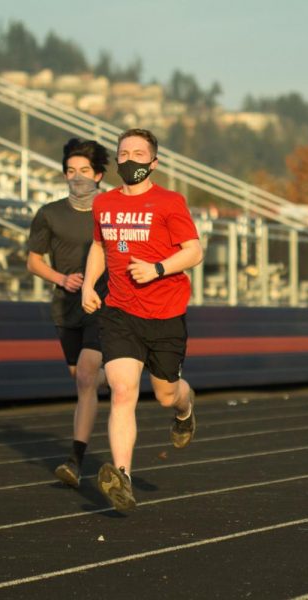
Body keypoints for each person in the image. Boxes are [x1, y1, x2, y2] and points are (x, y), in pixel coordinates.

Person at [82, 128, 203, 512]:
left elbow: (194, 251)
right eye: (124, 153)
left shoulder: (170, 202)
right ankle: (123, 477)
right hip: (120, 311)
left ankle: (185, 409)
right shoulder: (104, 204)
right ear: (116, 161)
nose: (131, 159)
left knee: (166, 393)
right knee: (121, 390)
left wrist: (157, 268)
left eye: (139, 153)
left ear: (153, 162)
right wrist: (89, 284)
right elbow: (99, 246)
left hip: (165, 313)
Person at [27, 138, 110, 487]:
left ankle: (74, 459)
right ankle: (129, 375)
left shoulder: (110, 212)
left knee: (87, 376)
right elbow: (33, 261)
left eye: (84, 171)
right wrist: (61, 277)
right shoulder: (49, 213)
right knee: (83, 378)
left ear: (99, 175)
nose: (77, 177)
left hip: (103, 303)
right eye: (71, 171)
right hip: (65, 306)